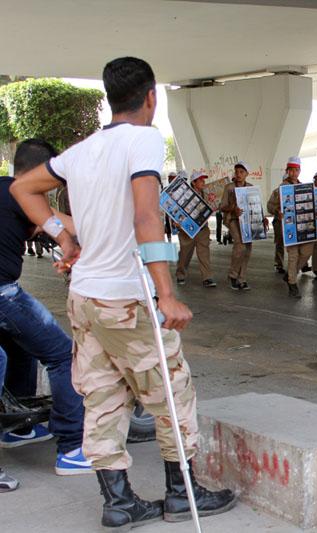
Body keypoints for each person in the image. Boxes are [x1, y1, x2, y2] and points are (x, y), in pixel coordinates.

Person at [11, 57, 236, 528]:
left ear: (111, 98)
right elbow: (146, 216)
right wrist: (166, 293)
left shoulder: (81, 151)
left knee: (102, 396)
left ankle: (118, 502)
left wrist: (63, 236)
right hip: (125, 297)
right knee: (171, 391)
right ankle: (182, 493)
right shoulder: (144, 139)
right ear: (151, 97)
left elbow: (24, 188)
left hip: (84, 298)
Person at [0, 139, 89, 476]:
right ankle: (72, 447)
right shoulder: (21, 194)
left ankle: (18, 427)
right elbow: (68, 224)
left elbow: (43, 224)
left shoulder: (4, 191)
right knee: (62, 355)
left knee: (22, 346)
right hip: (3, 295)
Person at [220, 161, 263, 291]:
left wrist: (262, 218)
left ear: (247, 174)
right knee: (240, 245)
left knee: (248, 249)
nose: (238, 174)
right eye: (237, 172)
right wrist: (233, 208)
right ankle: (233, 275)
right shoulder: (229, 187)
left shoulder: (250, 187)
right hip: (233, 220)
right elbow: (222, 206)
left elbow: (256, 205)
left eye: (241, 172)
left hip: (248, 221)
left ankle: (242, 278)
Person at [175, 171, 216, 288]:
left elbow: (212, 208)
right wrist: (177, 222)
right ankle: (180, 274)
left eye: (204, 180)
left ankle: (207, 277)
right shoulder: (185, 195)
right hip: (187, 230)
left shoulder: (206, 194)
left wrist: (213, 202)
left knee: (204, 254)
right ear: (193, 182)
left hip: (202, 229)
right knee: (185, 254)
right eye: (200, 180)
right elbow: (176, 210)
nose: (203, 182)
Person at [268, 159, 301, 276]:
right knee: (280, 243)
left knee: (297, 244)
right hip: (280, 221)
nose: (294, 173)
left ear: (299, 171)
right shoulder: (279, 189)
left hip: (297, 222)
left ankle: (297, 266)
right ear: (287, 171)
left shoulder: (302, 187)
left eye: (296, 170)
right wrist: (277, 211)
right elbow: (269, 205)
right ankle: (279, 264)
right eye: (291, 170)